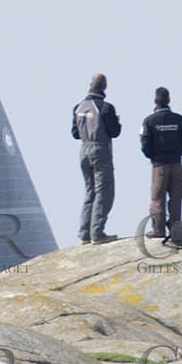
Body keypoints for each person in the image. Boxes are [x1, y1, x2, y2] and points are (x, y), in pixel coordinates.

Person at [72, 72, 122, 244]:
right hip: (100, 149)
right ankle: (97, 233)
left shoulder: (78, 107)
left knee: (89, 191)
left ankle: (84, 233)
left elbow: (74, 134)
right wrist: (116, 121)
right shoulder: (106, 107)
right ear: (104, 87)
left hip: (83, 150)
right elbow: (115, 131)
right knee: (104, 191)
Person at [139, 87, 182, 239]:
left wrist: (154, 157)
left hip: (159, 164)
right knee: (176, 197)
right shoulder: (179, 119)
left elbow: (145, 143)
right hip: (176, 163)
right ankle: (176, 229)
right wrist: (178, 153)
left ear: (155, 100)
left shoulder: (149, 121)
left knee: (157, 197)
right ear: (168, 100)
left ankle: (158, 229)